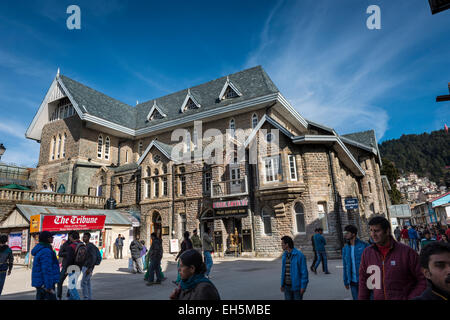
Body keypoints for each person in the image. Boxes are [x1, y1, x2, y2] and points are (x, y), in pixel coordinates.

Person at [358, 216, 427, 300]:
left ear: (387, 231)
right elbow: (363, 281)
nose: (373, 234)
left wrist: (412, 298)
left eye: (376, 231)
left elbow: (423, 280)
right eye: (371, 230)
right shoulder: (367, 253)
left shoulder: (407, 252)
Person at [342, 225, 370, 300]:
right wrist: (345, 281)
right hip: (352, 282)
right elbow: (345, 266)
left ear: (353, 234)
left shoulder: (365, 246)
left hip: (365, 281)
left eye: (347, 233)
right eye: (345, 233)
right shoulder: (345, 248)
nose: (345, 234)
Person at [31, 231, 60, 300]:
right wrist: (49, 286)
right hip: (45, 284)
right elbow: (47, 270)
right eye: (51, 237)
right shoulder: (46, 251)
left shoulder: (42, 248)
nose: (53, 238)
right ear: (47, 239)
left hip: (42, 283)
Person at [280, 236, 308, 300]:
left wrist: (303, 286)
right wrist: (282, 284)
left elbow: (304, 272)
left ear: (287, 244)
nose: (281, 245)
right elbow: (284, 271)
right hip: (287, 286)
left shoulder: (299, 255)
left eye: (282, 244)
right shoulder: (284, 255)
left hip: (297, 287)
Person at [80, 232, 98, 300]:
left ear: (88, 238)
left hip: (88, 267)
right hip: (85, 267)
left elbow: (93, 258)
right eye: (83, 237)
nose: (83, 238)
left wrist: (90, 268)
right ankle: (89, 298)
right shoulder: (86, 245)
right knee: (87, 283)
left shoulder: (90, 246)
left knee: (83, 283)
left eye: (85, 237)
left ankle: (86, 297)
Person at [56, 235, 73, 300]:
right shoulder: (65, 244)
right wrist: (68, 253)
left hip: (73, 266)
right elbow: (60, 254)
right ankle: (59, 296)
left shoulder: (77, 244)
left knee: (71, 282)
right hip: (65, 266)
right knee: (59, 281)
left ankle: (68, 295)